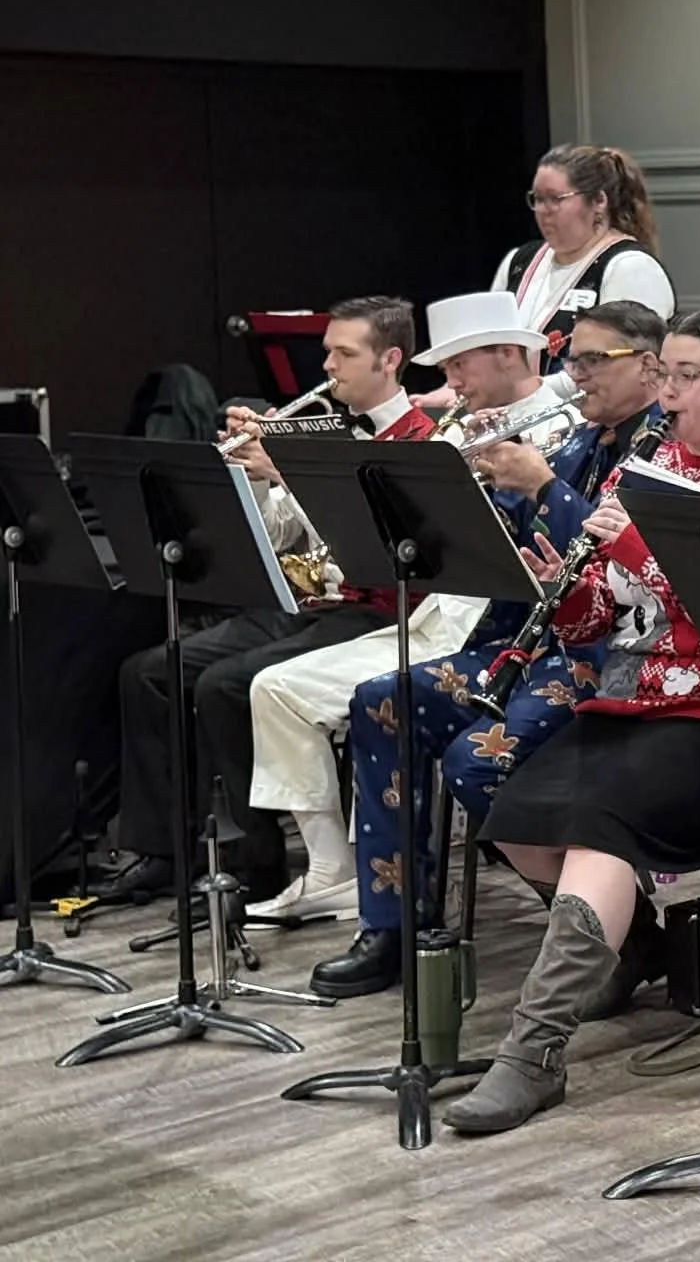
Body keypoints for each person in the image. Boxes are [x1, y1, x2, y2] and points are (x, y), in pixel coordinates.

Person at [443, 305, 700, 1134]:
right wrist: (562, 596)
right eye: (662, 375)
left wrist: (638, 543)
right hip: (652, 702)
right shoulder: (650, 463)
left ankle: (533, 1050)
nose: (665, 394)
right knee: (516, 811)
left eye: (684, 377)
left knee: (600, 826)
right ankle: (625, 941)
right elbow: (610, 610)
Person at [304, 301, 667, 999]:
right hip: (532, 640)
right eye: (574, 361)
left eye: (595, 361)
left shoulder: (658, 447)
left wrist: (542, 487)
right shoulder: (583, 441)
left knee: (479, 760)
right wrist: (460, 497)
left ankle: (622, 935)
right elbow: (515, 555)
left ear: (648, 367)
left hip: (612, 654)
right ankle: (393, 926)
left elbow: (622, 562)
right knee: (385, 698)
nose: (577, 375)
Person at [242, 291, 584, 922]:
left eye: (460, 365)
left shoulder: (565, 430)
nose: (448, 383)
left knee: (378, 698)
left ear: (509, 353)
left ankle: (402, 898)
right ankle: (352, 882)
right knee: (278, 687)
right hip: (434, 615)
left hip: (517, 635)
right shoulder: (459, 421)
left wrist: (524, 482)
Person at [107, 296, 435, 905]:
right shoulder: (320, 429)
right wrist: (252, 478)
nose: (328, 365)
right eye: (327, 351)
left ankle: (257, 863)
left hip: (377, 610)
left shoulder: (423, 439)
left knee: (226, 685)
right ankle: (164, 852)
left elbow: (383, 540)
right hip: (307, 602)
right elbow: (280, 536)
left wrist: (289, 473)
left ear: (390, 360)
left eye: (345, 353)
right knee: (151, 672)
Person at [415, 144, 675, 411]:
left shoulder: (630, 267)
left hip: (590, 426)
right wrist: (455, 388)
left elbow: (622, 372)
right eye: (537, 199)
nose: (543, 210)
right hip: (515, 416)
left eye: (555, 199)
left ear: (598, 201)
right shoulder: (518, 261)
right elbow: (484, 348)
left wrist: (527, 393)